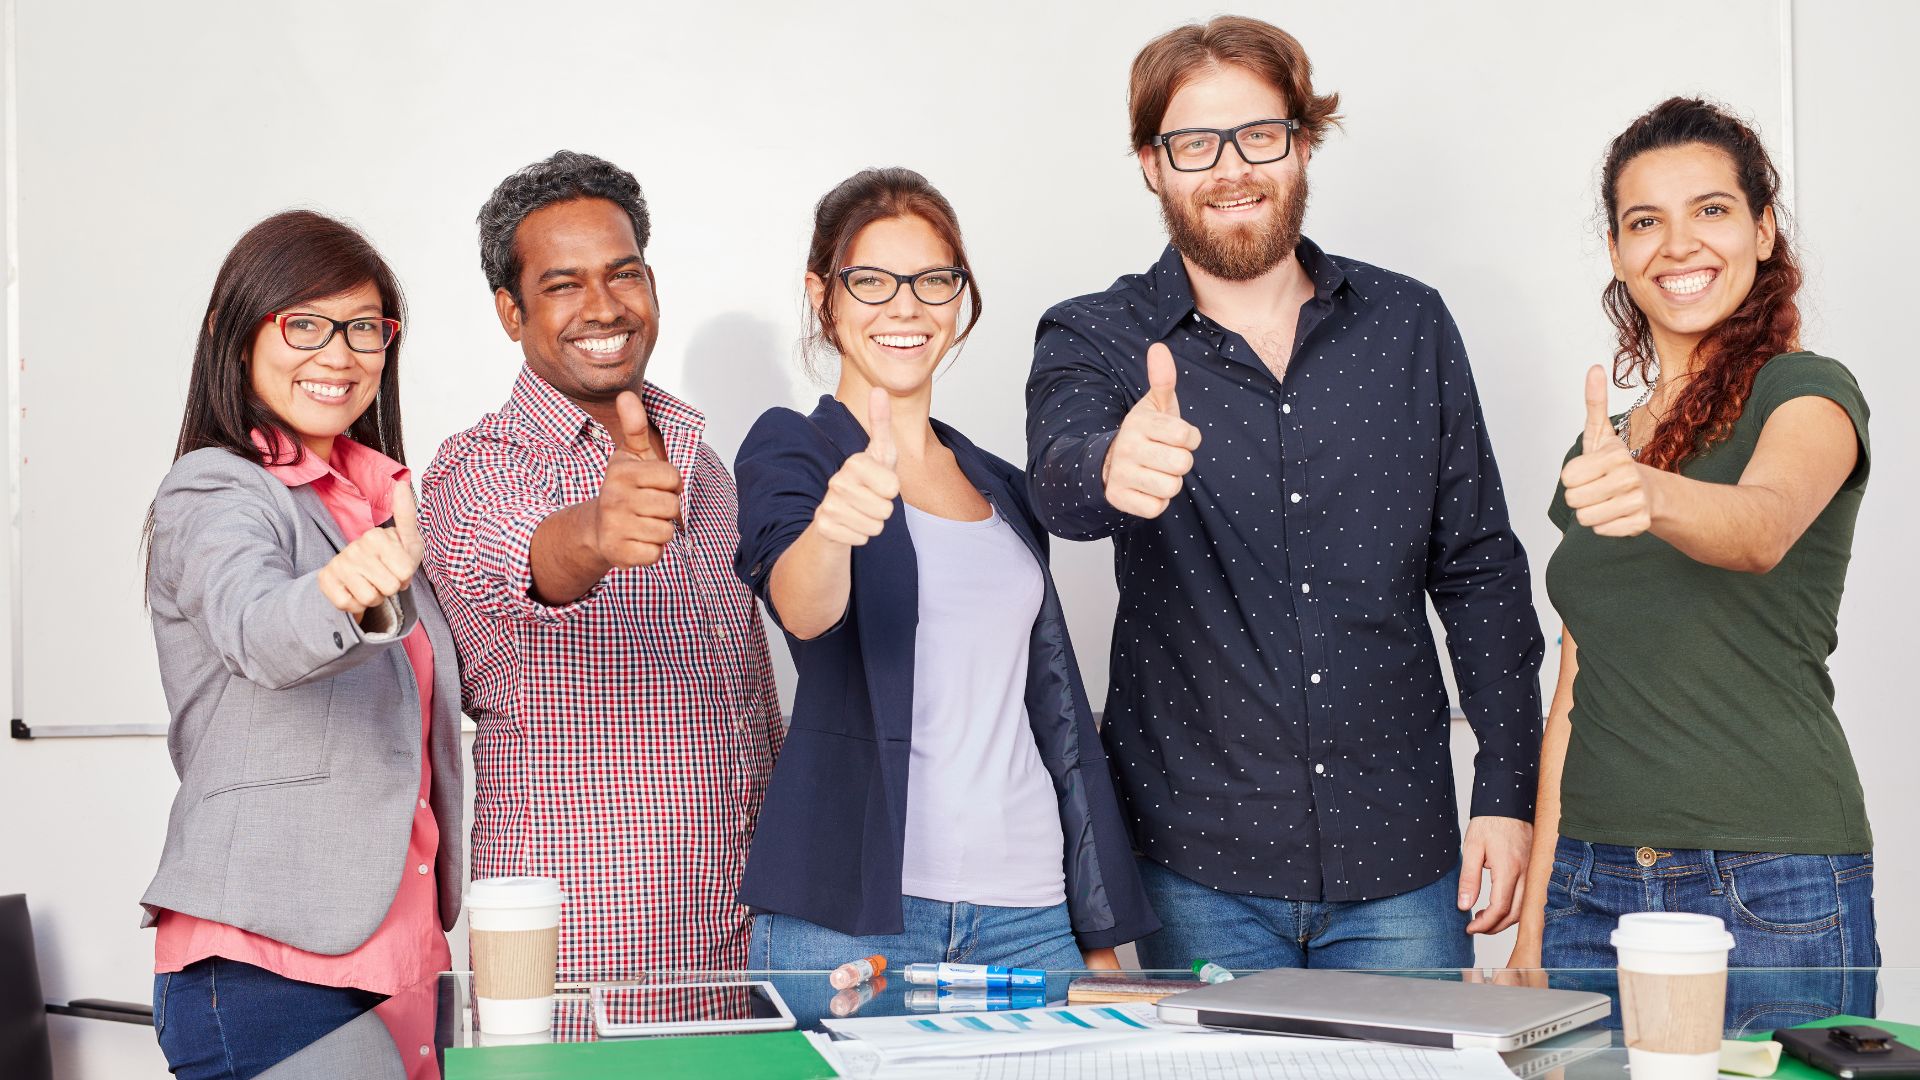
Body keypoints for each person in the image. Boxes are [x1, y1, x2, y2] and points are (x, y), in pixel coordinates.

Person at [1024, 15, 1544, 970]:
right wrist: (1111, 466)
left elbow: (1478, 570)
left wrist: (1509, 796)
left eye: (1259, 135)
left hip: (1404, 863)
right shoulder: (1094, 336)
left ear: (1303, 142)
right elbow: (1058, 483)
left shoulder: (1411, 324)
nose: (1231, 168)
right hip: (1193, 865)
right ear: (1151, 163)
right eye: (1193, 143)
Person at [732, 167, 1159, 985]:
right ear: (825, 296)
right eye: (871, 281)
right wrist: (832, 527)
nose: (905, 306)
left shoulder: (1002, 484)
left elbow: (1051, 713)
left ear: (960, 298)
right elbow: (802, 606)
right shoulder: (795, 447)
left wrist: (1093, 931)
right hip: (853, 919)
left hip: (1029, 912)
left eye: (934, 280)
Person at [1508, 98, 1876, 988]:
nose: (1678, 245)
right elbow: (1573, 697)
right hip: (1592, 882)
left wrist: (1650, 490)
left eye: (1710, 210)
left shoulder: (1807, 394)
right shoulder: (1596, 452)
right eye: (1646, 222)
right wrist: (1532, 924)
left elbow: (1762, 526)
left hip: (1768, 879)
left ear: (1762, 229)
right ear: (1617, 253)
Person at [419, 152, 782, 980]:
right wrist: (596, 532)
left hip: (745, 948)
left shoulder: (707, 465)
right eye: (563, 285)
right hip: (585, 959)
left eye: (623, 275)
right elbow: (532, 560)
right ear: (510, 312)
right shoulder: (474, 470)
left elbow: (744, 705)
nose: (605, 306)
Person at [141, 210, 463, 1079]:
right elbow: (258, 629)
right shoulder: (213, 490)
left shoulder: (378, 498)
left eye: (364, 327)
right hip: (266, 956)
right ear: (232, 334)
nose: (340, 353)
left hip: (397, 951)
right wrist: (338, 591)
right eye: (304, 324)